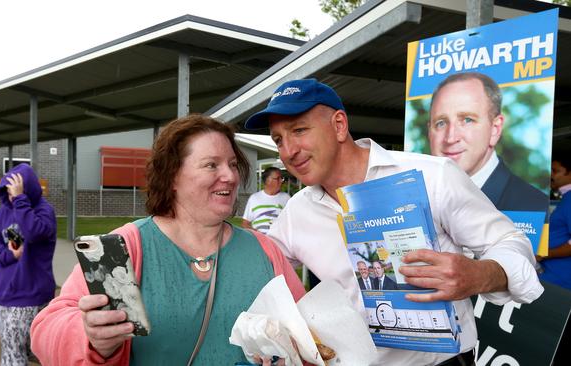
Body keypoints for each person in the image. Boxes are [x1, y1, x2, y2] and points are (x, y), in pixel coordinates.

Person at [244, 78, 543, 365]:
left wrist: (480, 274)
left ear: (338, 125)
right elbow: (259, 265)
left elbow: (509, 242)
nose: (288, 151)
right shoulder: (297, 211)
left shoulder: (433, 176)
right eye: (278, 140)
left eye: (299, 130)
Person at [30, 115, 304, 366]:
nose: (230, 176)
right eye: (212, 165)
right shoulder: (126, 247)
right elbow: (45, 330)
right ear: (172, 175)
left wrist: (290, 356)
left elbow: (309, 334)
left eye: (233, 164)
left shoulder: (263, 250)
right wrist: (90, 337)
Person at [428, 71, 548, 212]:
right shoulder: (415, 202)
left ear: (495, 129)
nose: (450, 138)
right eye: (441, 123)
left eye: (467, 120)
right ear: (429, 131)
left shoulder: (535, 207)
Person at [0, 163, 57, 366]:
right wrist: (9, 255)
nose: (10, 196)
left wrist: (20, 200)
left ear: (27, 189)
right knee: (16, 349)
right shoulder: (4, 212)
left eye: (15, 191)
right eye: (8, 192)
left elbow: (34, 232)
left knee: (14, 354)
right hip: (4, 293)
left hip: (30, 293)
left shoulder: (44, 211)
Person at [537, 154, 571, 289]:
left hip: (560, 279)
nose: (550, 175)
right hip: (552, 274)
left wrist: (544, 254)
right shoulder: (566, 198)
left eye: (555, 171)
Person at [242, 166, 291, 234]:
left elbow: (291, 222)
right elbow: (245, 224)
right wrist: (257, 235)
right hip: (259, 240)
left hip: (279, 240)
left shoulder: (286, 198)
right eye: (277, 178)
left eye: (281, 178)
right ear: (268, 180)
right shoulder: (254, 198)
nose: (281, 181)